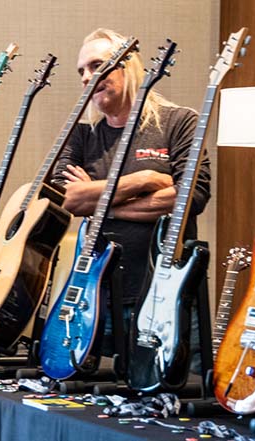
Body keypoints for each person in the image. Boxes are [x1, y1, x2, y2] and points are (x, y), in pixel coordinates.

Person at [52, 28, 211, 369]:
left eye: (96, 65)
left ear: (130, 67)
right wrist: (145, 179)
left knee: (172, 399)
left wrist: (101, 203)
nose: (87, 77)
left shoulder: (179, 122)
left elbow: (190, 197)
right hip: (98, 293)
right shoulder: (81, 135)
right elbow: (68, 200)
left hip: (168, 290)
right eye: (81, 70)